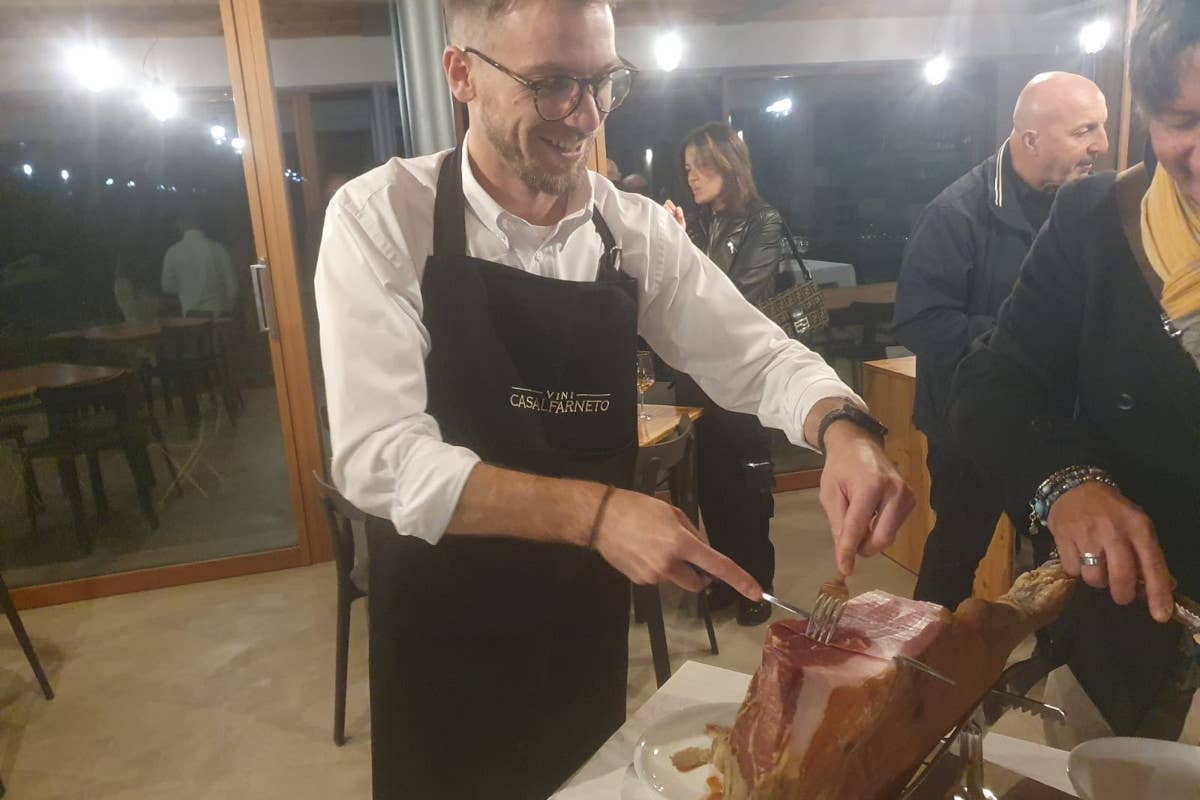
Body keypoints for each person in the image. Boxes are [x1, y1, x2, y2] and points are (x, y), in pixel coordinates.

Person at [315, 2, 913, 798]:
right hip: (442, 623)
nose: (586, 115)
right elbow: (378, 458)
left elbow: (755, 354)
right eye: (553, 83)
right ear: (463, 75)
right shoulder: (383, 216)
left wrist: (841, 428)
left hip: (581, 622)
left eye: (604, 82)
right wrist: (600, 514)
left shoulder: (630, 232)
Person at [952, 0, 1200, 743]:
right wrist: (1066, 483)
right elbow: (992, 386)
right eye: (1182, 121)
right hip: (1130, 633)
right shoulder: (1098, 219)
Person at [892, 71, 1110, 610]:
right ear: (1031, 138)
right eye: (1086, 130)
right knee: (954, 557)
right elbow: (920, 320)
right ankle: (928, 681)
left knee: (1059, 566)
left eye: (1101, 128)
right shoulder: (955, 213)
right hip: (968, 425)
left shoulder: (1086, 208)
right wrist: (1022, 336)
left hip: (1057, 429)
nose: (1101, 145)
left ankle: (1051, 675)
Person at [662, 121, 788, 625]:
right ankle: (724, 577)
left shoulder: (764, 221)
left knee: (746, 482)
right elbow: (678, 293)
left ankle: (757, 584)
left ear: (728, 166)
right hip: (698, 373)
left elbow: (738, 298)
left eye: (702, 166)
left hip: (742, 374)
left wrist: (685, 245)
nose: (691, 177)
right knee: (709, 482)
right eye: (688, 168)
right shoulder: (699, 222)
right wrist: (677, 239)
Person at [160, 212, 238, 317]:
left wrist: (187, 288)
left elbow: (167, 286)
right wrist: (228, 310)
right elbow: (233, 287)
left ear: (180, 225)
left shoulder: (172, 252)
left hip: (190, 318)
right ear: (202, 224)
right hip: (218, 315)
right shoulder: (218, 249)